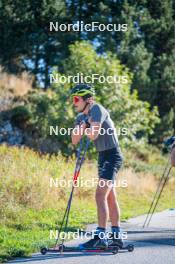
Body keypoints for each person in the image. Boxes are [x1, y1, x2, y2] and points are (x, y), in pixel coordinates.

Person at [71, 84, 123, 249]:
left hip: (112, 155)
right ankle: (117, 237)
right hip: (103, 156)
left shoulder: (97, 109)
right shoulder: (82, 116)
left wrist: (86, 124)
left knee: (100, 195)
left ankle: (101, 236)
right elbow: (74, 139)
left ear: (87, 99)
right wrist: (84, 123)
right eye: (73, 99)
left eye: (76, 99)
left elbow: (93, 135)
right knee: (109, 197)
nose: (74, 102)